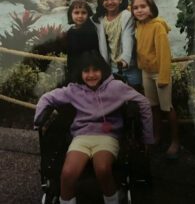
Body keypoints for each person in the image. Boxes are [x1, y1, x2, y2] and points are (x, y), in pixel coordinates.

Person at [34, 51, 154, 204]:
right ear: (81, 73)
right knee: (68, 173)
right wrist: (37, 120)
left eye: (95, 70)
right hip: (81, 136)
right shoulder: (74, 90)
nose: (91, 75)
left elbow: (143, 102)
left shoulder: (116, 87)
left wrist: (147, 136)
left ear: (102, 71)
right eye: (86, 71)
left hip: (107, 136)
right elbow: (47, 97)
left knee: (102, 168)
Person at [131, 0, 179, 158]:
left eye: (143, 6)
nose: (139, 10)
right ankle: (157, 136)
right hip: (146, 72)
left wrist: (164, 77)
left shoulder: (158, 26)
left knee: (167, 107)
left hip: (159, 72)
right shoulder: (139, 26)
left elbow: (164, 55)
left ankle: (175, 141)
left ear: (151, 8)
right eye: (135, 7)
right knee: (153, 107)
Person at [92, 0, 141, 89]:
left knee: (136, 96)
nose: (109, 2)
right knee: (118, 99)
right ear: (101, 1)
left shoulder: (126, 16)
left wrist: (125, 60)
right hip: (112, 68)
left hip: (130, 65)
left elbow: (128, 37)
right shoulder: (99, 20)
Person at [65, 0, 99, 83]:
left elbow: (93, 54)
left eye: (83, 13)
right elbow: (70, 55)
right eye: (76, 13)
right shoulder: (70, 31)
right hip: (74, 70)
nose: (80, 16)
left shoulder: (91, 31)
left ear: (88, 14)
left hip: (88, 72)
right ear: (70, 14)